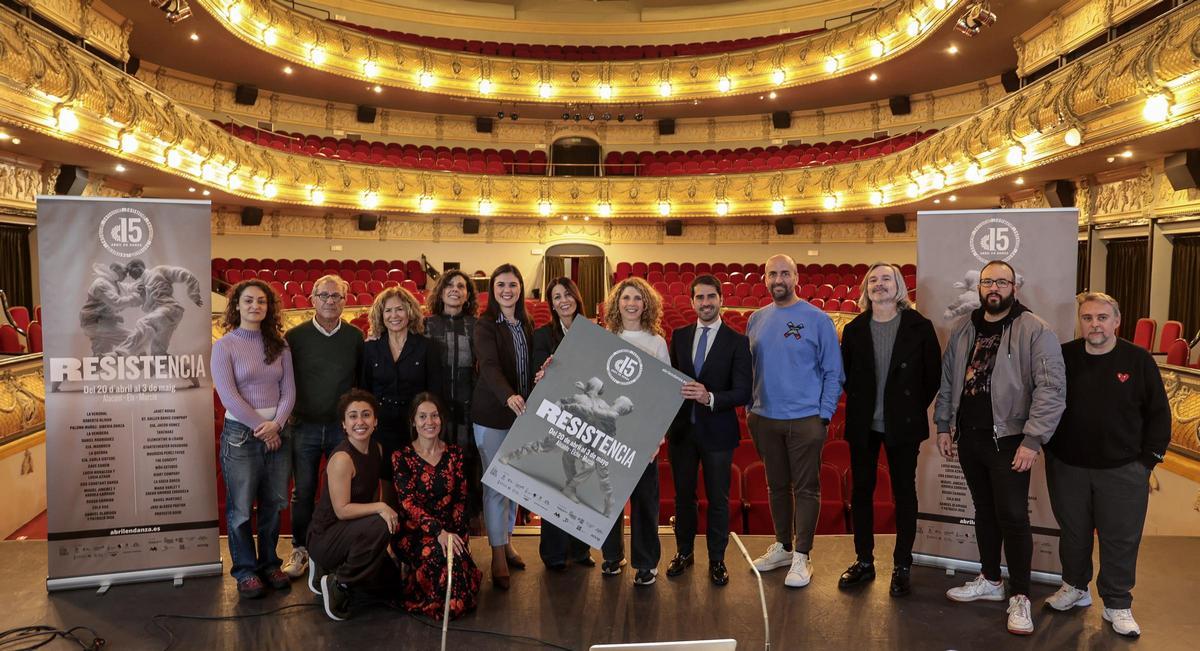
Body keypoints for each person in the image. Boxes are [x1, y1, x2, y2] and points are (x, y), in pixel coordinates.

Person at [934, 260, 1065, 636]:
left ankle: (1020, 595)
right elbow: (948, 383)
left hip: (1010, 441)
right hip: (970, 437)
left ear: (1014, 288)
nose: (994, 288)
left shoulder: (1035, 330)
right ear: (979, 287)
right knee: (984, 511)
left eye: (1002, 282)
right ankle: (990, 580)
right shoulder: (963, 330)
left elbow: (1051, 390)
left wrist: (1032, 439)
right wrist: (944, 425)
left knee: (1012, 516)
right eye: (988, 281)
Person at [1042, 292, 1170, 638]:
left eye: (1102, 317)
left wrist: (1147, 462)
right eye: (1087, 318)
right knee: (1073, 534)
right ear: (1080, 321)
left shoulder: (1138, 360)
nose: (1094, 324)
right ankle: (1075, 587)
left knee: (1120, 539)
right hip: (1068, 466)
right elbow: (1044, 400)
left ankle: (1117, 603)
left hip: (1124, 470)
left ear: (1116, 321)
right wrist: (1051, 452)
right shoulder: (1064, 356)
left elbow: (1159, 414)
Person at [837, 262, 940, 596]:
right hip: (864, 423)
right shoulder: (853, 329)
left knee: (904, 493)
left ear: (899, 287)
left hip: (903, 423)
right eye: (873, 280)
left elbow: (932, 377)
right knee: (861, 492)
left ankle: (902, 564)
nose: (879, 285)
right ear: (866, 288)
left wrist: (906, 407)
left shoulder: (919, 326)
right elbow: (849, 377)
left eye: (886, 279)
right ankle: (864, 561)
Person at [746, 254, 844, 588]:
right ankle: (784, 547)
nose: (778, 279)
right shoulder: (755, 319)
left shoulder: (817, 319)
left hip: (805, 419)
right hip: (764, 418)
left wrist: (824, 416)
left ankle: (803, 554)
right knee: (775, 487)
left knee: (805, 489)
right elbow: (752, 369)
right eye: (772, 273)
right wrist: (751, 409)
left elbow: (834, 371)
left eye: (784, 273)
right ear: (764, 279)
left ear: (796, 277)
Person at [665, 275, 752, 587]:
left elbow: (744, 392)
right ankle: (684, 553)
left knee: (718, 499)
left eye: (710, 297)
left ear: (720, 299)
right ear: (692, 302)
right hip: (682, 433)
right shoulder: (679, 335)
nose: (705, 303)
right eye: (699, 298)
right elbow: (668, 384)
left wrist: (710, 397)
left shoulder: (738, 341)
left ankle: (717, 559)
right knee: (683, 498)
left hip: (718, 432)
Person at [211, 279, 296, 599]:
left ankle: (269, 563)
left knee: (274, 504)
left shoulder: (280, 344)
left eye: (261, 301)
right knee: (242, 509)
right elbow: (228, 396)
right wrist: (264, 428)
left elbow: (289, 390)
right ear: (236, 306)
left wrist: (277, 425)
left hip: (278, 432)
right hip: (241, 436)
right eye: (248, 301)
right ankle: (246, 570)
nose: (255, 306)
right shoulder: (224, 346)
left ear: (268, 307)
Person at [281, 275, 365, 580]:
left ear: (346, 301)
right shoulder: (295, 337)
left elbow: (360, 382)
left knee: (339, 493)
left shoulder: (355, 337)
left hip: (340, 430)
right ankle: (301, 548)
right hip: (303, 427)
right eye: (324, 296)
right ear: (313, 299)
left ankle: (333, 548)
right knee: (302, 492)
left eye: (337, 297)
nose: (330, 301)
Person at [600, 277, 669, 587]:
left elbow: (664, 392)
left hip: (642, 432)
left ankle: (645, 562)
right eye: (625, 297)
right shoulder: (607, 336)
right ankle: (612, 556)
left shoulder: (656, 342)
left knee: (644, 500)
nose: (631, 303)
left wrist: (657, 434)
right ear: (617, 303)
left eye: (637, 298)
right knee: (610, 497)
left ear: (646, 304)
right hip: (610, 429)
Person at [307, 389, 397, 621]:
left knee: (392, 584)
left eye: (366, 415)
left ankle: (334, 569)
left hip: (353, 532)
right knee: (380, 521)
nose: (360, 421)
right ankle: (340, 583)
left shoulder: (376, 449)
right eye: (353, 416)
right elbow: (342, 510)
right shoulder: (341, 459)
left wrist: (383, 545)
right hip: (326, 536)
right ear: (344, 424)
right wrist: (380, 507)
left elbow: (368, 496)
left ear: (375, 421)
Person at [471, 264, 533, 589]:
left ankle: (506, 540)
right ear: (492, 290)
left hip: (521, 417)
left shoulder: (526, 323)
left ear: (520, 288)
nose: (507, 290)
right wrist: (508, 395)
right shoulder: (485, 325)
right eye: (500, 285)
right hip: (493, 414)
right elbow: (490, 367)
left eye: (512, 284)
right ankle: (496, 553)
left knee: (514, 485)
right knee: (496, 486)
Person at [393, 392, 482, 620]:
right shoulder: (402, 457)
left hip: (450, 529)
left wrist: (454, 534)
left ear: (441, 419)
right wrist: (438, 533)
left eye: (434, 416)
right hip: (416, 531)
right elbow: (408, 503)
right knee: (436, 556)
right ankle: (436, 600)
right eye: (422, 417)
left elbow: (461, 499)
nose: (429, 422)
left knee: (455, 560)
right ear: (413, 421)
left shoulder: (455, 454)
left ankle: (450, 598)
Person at [529, 277, 595, 571]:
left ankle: (580, 551)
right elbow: (542, 376)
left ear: (576, 297)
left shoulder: (594, 333)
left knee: (581, 485)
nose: (563, 301)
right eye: (556, 297)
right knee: (555, 485)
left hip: (587, 420)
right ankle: (554, 553)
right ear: (551, 303)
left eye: (567, 294)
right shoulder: (543, 335)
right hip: (555, 418)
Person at [362, 286, 442, 476]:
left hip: (416, 426)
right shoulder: (370, 348)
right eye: (388, 311)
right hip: (380, 426)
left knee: (416, 478)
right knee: (385, 480)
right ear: (381, 316)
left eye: (399, 309)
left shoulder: (427, 346)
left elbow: (434, 390)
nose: (394, 315)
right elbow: (364, 390)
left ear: (409, 312)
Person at [423, 270, 482, 519]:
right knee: (436, 463)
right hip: (435, 407)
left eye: (461, 286)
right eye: (449, 285)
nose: (455, 289)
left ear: (468, 295)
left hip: (469, 406)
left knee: (466, 465)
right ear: (441, 291)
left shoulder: (477, 326)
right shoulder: (426, 324)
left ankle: (466, 522)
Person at [111, 258, 204, 356]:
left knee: (143, 323)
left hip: (169, 309)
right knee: (158, 353)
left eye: (130, 270)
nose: (129, 274)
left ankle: (119, 353)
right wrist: (113, 278)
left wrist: (194, 295)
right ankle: (185, 369)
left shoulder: (159, 271)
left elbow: (185, 274)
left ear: (138, 267)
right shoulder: (140, 285)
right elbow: (127, 287)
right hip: (163, 317)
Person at [79, 262, 140, 355]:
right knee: (134, 340)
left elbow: (128, 288)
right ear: (115, 270)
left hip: (102, 323)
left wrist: (142, 286)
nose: (126, 275)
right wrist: (135, 297)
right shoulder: (101, 284)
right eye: (124, 272)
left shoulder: (113, 282)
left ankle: (80, 369)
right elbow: (116, 303)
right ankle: (146, 365)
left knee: (101, 359)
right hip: (96, 324)